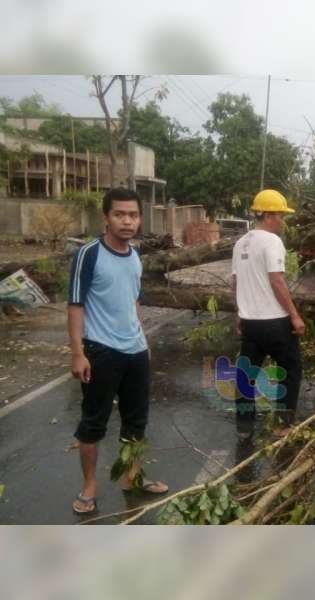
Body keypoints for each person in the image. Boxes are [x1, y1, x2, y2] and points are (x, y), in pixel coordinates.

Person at [68, 188, 168, 515]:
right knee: (93, 422)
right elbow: (75, 305)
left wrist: (143, 340)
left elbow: (133, 300)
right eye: (120, 214)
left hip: (134, 351)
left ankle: (133, 477)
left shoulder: (135, 255)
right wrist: (78, 352)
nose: (127, 221)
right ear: (106, 218)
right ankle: (89, 487)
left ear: (140, 219)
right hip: (101, 350)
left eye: (133, 215)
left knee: (136, 420)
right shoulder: (89, 254)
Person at [232, 189, 305, 439]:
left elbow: (236, 282)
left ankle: (244, 427)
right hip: (275, 323)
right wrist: (294, 315)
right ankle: (282, 425)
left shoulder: (240, 243)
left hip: (250, 324)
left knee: (246, 376)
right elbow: (277, 280)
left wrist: (239, 313)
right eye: (280, 216)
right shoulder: (272, 242)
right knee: (291, 370)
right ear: (268, 215)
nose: (282, 221)